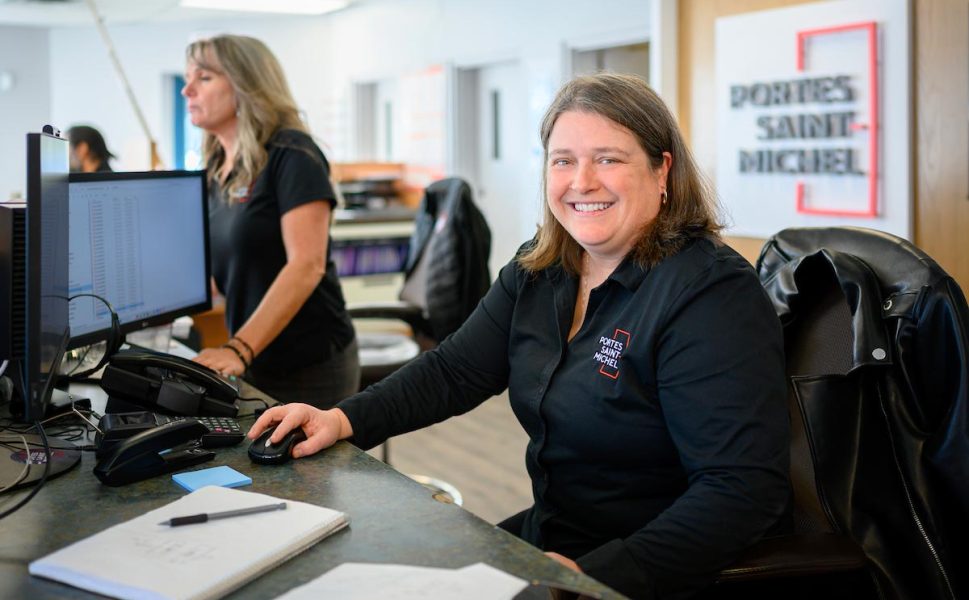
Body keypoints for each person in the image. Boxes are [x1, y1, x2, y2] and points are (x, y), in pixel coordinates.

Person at [248, 73, 790, 599]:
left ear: (661, 170)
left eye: (609, 158)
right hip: (553, 537)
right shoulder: (543, 267)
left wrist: (593, 577)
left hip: (639, 568)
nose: (582, 181)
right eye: (564, 161)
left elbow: (739, 490)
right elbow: (454, 370)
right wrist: (341, 419)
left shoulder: (708, 295)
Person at [182, 35, 359, 407]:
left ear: (246, 85)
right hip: (253, 357)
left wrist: (239, 349)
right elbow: (225, 268)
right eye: (188, 78)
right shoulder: (217, 170)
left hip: (309, 363)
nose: (187, 90)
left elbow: (306, 266)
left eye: (204, 78)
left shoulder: (292, 155)